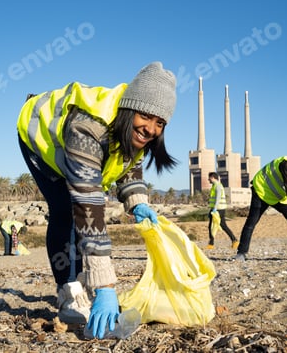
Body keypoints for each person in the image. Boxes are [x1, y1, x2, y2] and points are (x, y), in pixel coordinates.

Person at [16, 61, 177, 339]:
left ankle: (84, 281)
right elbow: (88, 204)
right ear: (130, 108)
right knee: (65, 210)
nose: (151, 129)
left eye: (160, 122)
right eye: (146, 116)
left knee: (77, 215)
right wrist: (106, 287)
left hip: (75, 148)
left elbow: (126, 164)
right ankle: (69, 292)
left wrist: (137, 201)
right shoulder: (89, 128)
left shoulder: (131, 132)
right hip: (39, 139)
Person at [205, 172, 238, 250]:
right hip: (218, 209)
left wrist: (214, 209)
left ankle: (211, 244)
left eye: (209, 178)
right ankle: (234, 240)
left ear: (213, 177)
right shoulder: (214, 186)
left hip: (218, 209)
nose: (208, 179)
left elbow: (218, 198)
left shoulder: (218, 186)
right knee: (220, 226)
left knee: (212, 226)